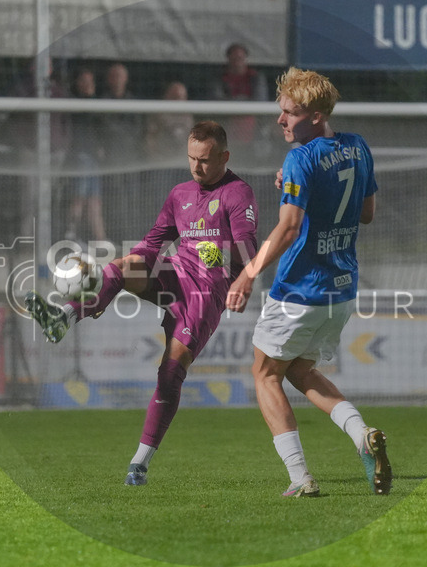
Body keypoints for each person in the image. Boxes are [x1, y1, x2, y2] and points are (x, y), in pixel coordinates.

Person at [26, 121, 258, 487]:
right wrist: (113, 278)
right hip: (174, 273)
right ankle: (64, 317)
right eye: (192, 158)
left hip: (205, 294)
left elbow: (250, 253)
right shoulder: (179, 193)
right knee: (123, 264)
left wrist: (223, 253)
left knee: (169, 374)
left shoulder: (237, 193)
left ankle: (139, 462)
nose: (197, 167)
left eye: (206, 160)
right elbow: (152, 243)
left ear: (224, 157)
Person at [225, 67, 389, 498]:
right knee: (299, 369)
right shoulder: (357, 147)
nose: (280, 120)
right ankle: (362, 435)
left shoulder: (301, 158)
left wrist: (246, 273)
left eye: (289, 113)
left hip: (301, 288)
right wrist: (308, 191)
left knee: (264, 375)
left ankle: (300, 478)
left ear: (316, 115)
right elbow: (366, 214)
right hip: (343, 287)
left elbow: (289, 229)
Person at [63, 68, 107, 243]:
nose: (88, 85)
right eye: (84, 81)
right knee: (79, 198)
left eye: (91, 82)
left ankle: (100, 237)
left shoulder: (97, 104)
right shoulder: (74, 104)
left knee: (95, 200)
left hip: (94, 159)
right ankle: (71, 234)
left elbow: (101, 128)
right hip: (80, 157)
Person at [210, 43, 268, 152]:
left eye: (240, 58)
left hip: (252, 120)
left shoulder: (255, 77)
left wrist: (239, 103)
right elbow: (218, 101)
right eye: (234, 58)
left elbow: (260, 101)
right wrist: (240, 103)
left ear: (245, 59)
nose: (237, 62)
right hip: (228, 120)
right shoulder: (220, 78)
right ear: (228, 59)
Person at [145, 81, 194, 160]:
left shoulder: (188, 117)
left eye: (182, 97)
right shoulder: (158, 115)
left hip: (182, 161)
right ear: (167, 96)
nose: (179, 101)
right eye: (175, 97)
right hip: (163, 160)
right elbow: (151, 138)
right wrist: (154, 158)